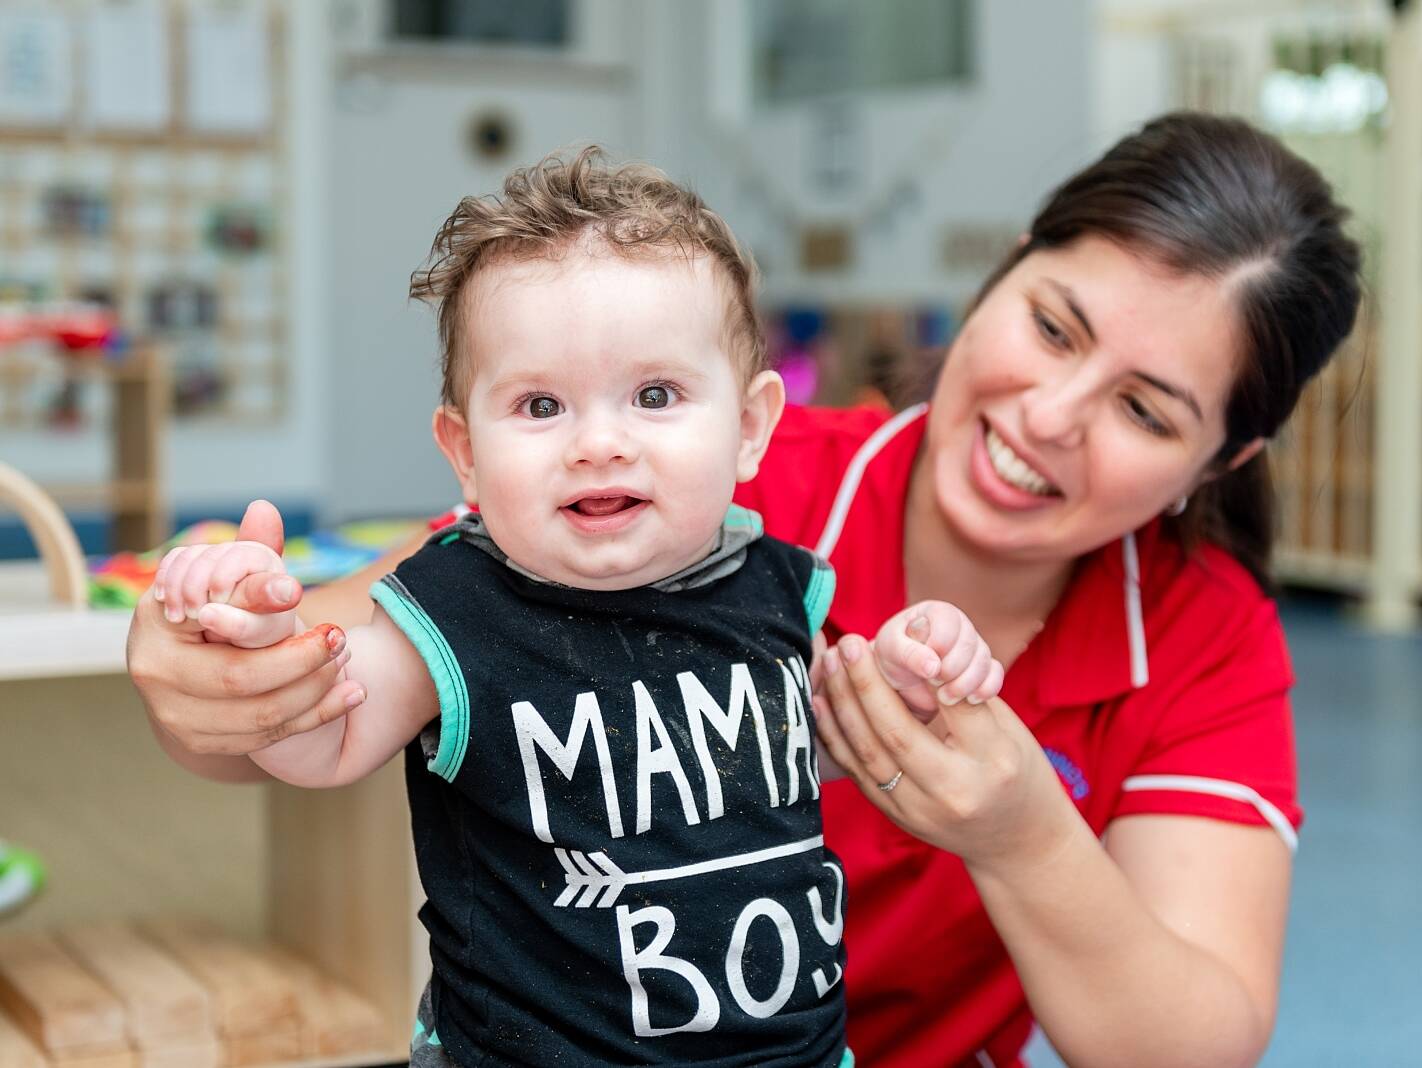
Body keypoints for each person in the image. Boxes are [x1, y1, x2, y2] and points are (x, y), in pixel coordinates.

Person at [127, 112, 1364, 1068]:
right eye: (1052, 326)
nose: (1048, 417)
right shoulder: (688, 493)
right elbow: (341, 672)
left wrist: (1023, 835)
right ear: (1005, 272)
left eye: (1146, 410)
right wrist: (207, 658)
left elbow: (1191, 1040)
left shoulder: (1204, 638)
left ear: (1226, 458)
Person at [146, 150, 1002, 1068]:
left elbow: (808, 756)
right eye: (542, 404)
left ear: (752, 427)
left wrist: (910, 678)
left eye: (655, 396)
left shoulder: (781, 586)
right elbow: (320, 739)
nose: (600, 443)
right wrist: (261, 642)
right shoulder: (452, 610)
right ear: (465, 452)